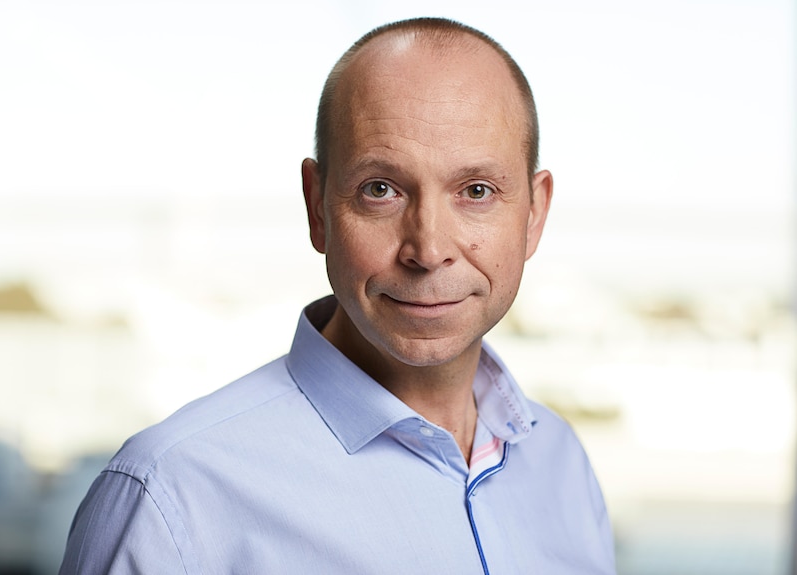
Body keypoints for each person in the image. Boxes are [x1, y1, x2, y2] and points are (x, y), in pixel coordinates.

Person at [59, 17, 615, 575]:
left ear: (534, 215)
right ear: (316, 206)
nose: (428, 248)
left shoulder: (560, 464)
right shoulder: (172, 497)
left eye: (476, 191)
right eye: (381, 190)